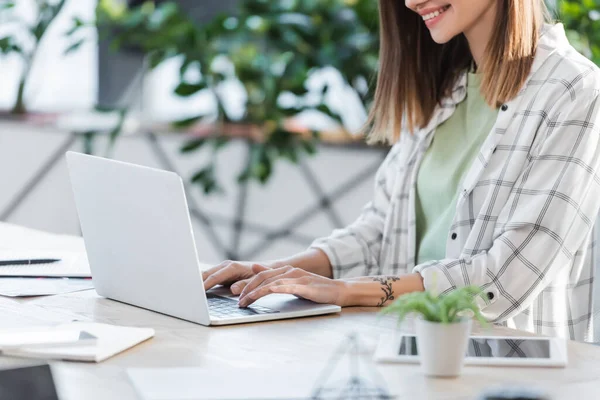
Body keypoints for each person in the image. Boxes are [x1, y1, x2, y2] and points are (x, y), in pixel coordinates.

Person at [203, 0, 600, 342]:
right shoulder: (443, 91)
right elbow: (379, 230)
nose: (411, 2)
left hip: (507, 373)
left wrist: (347, 291)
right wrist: (270, 272)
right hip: (410, 354)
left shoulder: (575, 91)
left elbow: (503, 281)